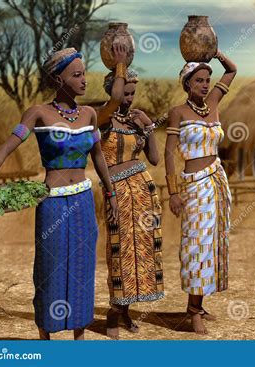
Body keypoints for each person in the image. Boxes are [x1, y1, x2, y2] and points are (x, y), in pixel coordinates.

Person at [0, 48, 118, 340]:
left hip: (84, 201)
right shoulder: (38, 113)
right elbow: (5, 149)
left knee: (82, 268)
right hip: (52, 202)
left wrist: (110, 193)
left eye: (84, 73)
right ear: (57, 79)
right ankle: (45, 339)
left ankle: (79, 338)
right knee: (50, 270)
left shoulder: (89, 114)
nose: (84, 80)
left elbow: (98, 157)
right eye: (76, 75)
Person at [164, 50, 237, 334]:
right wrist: (173, 192)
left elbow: (231, 70)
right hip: (194, 184)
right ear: (187, 84)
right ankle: (193, 310)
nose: (206, 85)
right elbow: (170, 154)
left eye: (207, 80)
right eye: (199, 81)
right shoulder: (178, 112)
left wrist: (215, 52)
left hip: (217, 181)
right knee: (196, 245)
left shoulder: (214, 103)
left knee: (214, 243)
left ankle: (199, 304)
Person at [96, 47, 165, 340]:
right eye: (125, 92)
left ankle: (127, 310)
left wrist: (147, 128)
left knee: (142, 253)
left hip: (143, 190)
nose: (129, 98)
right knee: (119, 251)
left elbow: (155, 159)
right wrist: (121, 60)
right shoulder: (101, 118)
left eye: (132, 93)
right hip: (117, 193)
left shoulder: (135, 119)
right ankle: (113, 312)